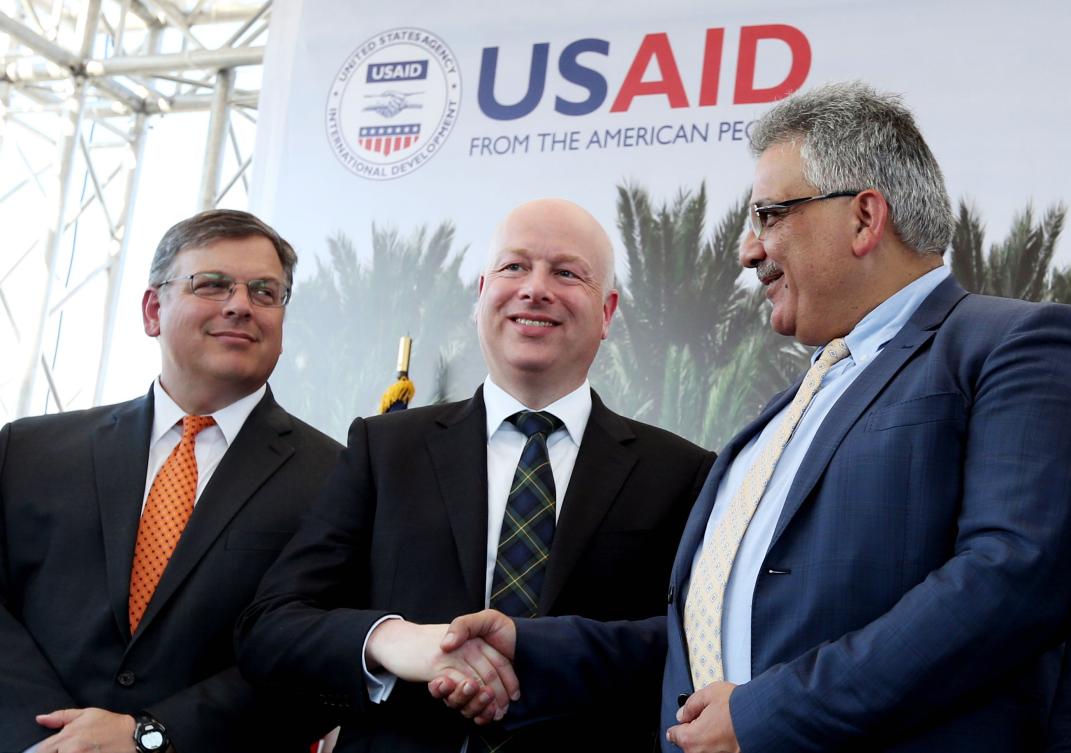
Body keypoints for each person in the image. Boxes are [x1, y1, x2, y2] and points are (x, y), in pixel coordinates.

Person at [438, 82, 1071, 752]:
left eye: (768, 216)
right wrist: (534, 650)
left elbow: (1012, 581)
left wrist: (767, 716)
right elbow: (715, 633)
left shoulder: (1010, 346)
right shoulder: (780, 414)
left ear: (864, 218)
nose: (747, 250)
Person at [235, 197, 715, 752]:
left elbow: (693, 645)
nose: (535, 289)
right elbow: (271, 626)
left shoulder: (680, 472)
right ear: (482, 293)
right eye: (514, 267)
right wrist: (392, 641)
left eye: (566, 273)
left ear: (607, 312)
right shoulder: (385, 449)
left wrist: (538, 654)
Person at [0, 210, 342, 753]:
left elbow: (321, 659)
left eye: (264, 291)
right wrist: (51, 741)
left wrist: (148, 737)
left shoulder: (336, 478)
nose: (240, 304)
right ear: (153, 310)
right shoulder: (28, 451)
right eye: (212, 284)